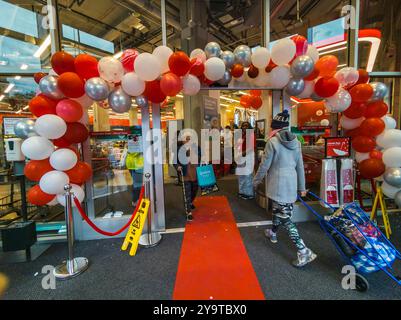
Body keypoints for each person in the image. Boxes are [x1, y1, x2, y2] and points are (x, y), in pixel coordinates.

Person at [253, 110, 317, 268]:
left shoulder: (272, 142)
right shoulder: (296, 142)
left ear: (274, 126)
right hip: (291, 182)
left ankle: (303, 251)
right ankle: (273, 233)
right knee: (279, 210)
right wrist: (302, 187)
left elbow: (264, 165)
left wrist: (256, 180)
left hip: (278, 183)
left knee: (285, 218)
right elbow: (300, 166)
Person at [175, 134, 201, 221]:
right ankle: (188, 213)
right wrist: (177, 166)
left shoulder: (197, 148)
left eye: (189, 139)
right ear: (182, 141)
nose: (188, 141)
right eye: (186, 139)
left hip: (195, 174)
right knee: (187, 194)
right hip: (185, 175)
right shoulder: (179, 149)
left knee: (194, 191)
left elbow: (202, 157)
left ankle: (190, 202)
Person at [235, 121, 255, 200]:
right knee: (241, 174)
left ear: (249, 126)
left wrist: (242, 153)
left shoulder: (251, 134)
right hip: (240, 157)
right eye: (243, 125)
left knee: (247, 175)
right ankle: (241, 191)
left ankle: (248, 193)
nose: (244, 127)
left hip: (248, 156)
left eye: (246, 125)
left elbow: (251, 147)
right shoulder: (242, 135)